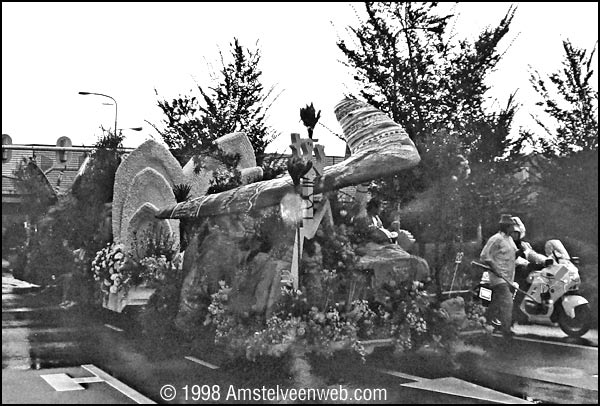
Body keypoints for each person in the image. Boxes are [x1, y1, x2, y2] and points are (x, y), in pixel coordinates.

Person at [479, 214, 519, 339]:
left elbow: (512, 255)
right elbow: (484, 255)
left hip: (508, 277)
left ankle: (482, 323)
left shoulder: (510, 240)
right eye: (511, 226)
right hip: (498, 277)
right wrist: (495, 269)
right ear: (505, 226)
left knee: (496, 303)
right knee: (507, 302)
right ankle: (506, 330)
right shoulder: (495, 239)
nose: (513, 228)